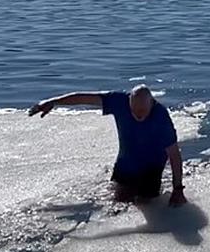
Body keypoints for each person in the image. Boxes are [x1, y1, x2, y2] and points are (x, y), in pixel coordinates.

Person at [28, 84, 187, 207]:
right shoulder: (119, 102)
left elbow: (174, 155)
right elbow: (84, 98)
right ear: (129, 101)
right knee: (118, 204)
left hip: (151, 169)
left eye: (143, 111)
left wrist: (177, 189)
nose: (139, 115)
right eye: (135, 111)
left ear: (151, 103)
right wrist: (53, 102)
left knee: (146, 205)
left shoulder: (161, 117)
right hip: (126, 163)